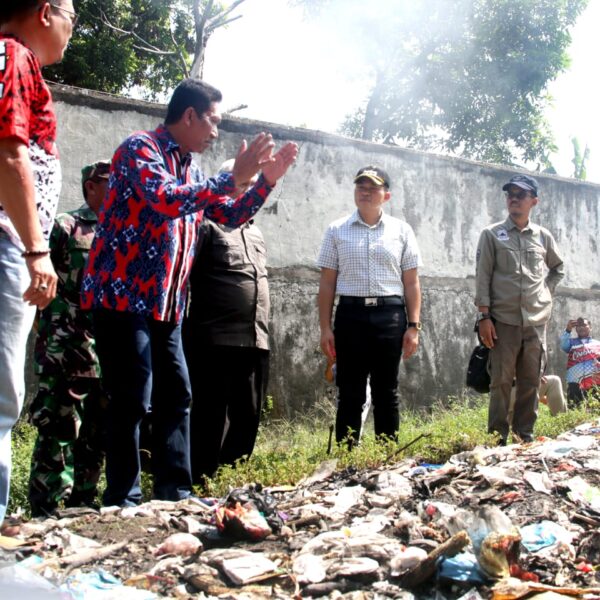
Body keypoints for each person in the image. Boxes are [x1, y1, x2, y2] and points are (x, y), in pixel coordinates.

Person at [81, 79, 298, 507]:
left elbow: (230, 215)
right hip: (123, 300)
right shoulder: (139, 149)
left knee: (178, 394)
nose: (216, 132)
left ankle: (175, 491)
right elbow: (164, 199)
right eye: (213, 121)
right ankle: (123, 496)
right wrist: (231, 177)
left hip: (167, 305)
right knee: (133, 398)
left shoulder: (192, 168)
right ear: (189, 116)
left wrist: (264, 182)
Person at [0, 0, 75, 526]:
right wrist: (35, 249)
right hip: (6, 244)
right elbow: (10, 153)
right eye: (72, 14)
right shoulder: (13, 55)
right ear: (45, 11)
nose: (74, 28)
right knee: (2, 395)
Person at [317, 166, 422, 448]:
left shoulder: (401, 230)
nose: (365, 192)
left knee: (386, 391)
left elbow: (411, 282)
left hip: (390, 316)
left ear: (386, 195)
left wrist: (413, 326)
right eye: (360, 186)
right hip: (351, 317)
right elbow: (327, 284)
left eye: (373, 187)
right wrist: (325, 328)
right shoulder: (337, 230)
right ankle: (347, 456)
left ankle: (387, 455)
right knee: (350, 392)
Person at [28, 161, 110, 517]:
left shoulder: (122, 230)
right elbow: (36, 281)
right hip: (65, 346)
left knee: (97, 430)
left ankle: (84, 500)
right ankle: (47, 505)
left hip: (106, 348)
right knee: (58, 425)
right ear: (91, 186)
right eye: (110, 183)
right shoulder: (65, 226)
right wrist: (44, 330)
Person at [183, 159, 268, 482]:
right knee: (209, 415)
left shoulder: (255, 231)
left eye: (252, 187)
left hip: (256, 338)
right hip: (214, 339)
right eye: (243, 186)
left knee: (249, 414)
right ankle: (201, 479)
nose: (249, 193)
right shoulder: (206, 225)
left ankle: (229, 479)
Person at [475, 174, 564, 445]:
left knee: (531, 381)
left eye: (520, 194)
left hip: (535, 321)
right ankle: (497, 440)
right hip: (503, 321)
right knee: (500, 382)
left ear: (533, 201)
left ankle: (524, 436)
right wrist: (484, 317)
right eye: (510, 194)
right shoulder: (491, 234)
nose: (514, 198)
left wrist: (545, 293)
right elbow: (483, 276)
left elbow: (558, 268)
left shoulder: (543, 237)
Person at [560, 318, 600, 403]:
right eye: (578, 326)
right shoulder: (571, 343)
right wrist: (568, 330)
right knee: (575, 406)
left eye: (584, 325)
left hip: (594, 382)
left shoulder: (597, 344)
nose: (581, 327)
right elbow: (563, 346)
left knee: (595, 407)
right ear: (576, 329)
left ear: (590, 327)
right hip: (574, 382)